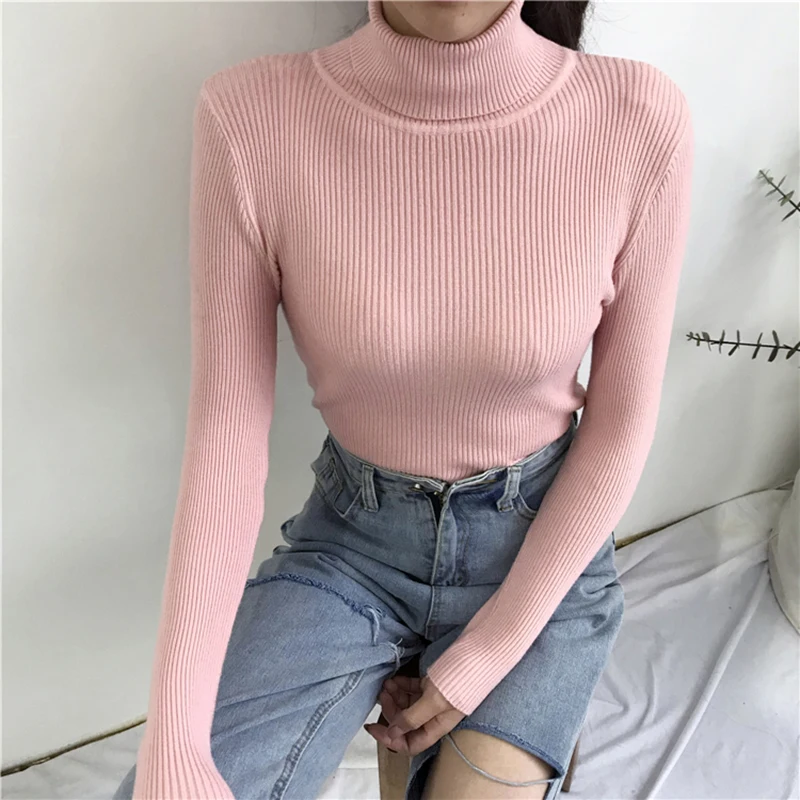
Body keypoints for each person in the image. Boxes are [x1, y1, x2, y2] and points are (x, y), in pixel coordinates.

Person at [114, 0, 693, 797]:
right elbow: (226, 438)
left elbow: (622, 424)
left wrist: (486, 652)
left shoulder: (638, 116)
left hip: (538, 556)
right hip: (353, 547)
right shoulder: (250, 116)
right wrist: (175, 734)